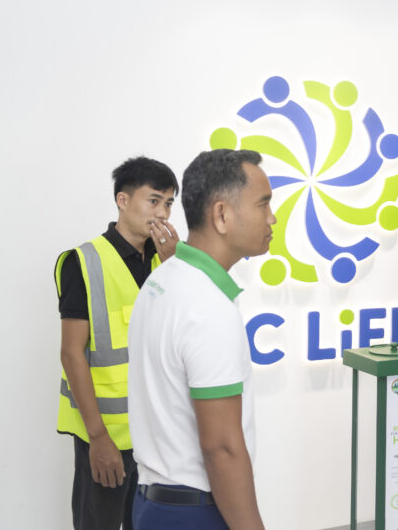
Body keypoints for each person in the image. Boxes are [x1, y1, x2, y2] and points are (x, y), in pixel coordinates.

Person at [128, 149, 274, 530]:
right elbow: (221, 448)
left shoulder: (162, 280)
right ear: (222, 215)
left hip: (152, 504)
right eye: (263, 204)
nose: (272, 217)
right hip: (195, 513)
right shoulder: (208, 306)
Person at [56, 156, 180, 530]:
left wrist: (176, 268)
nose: (162, 213)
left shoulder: (168, 260)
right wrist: (98, 438)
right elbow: (71, 353)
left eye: (169, 203)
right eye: (154, 200)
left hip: (156, 436)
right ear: (122, 201)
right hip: (107, 436)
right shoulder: (84, 262)